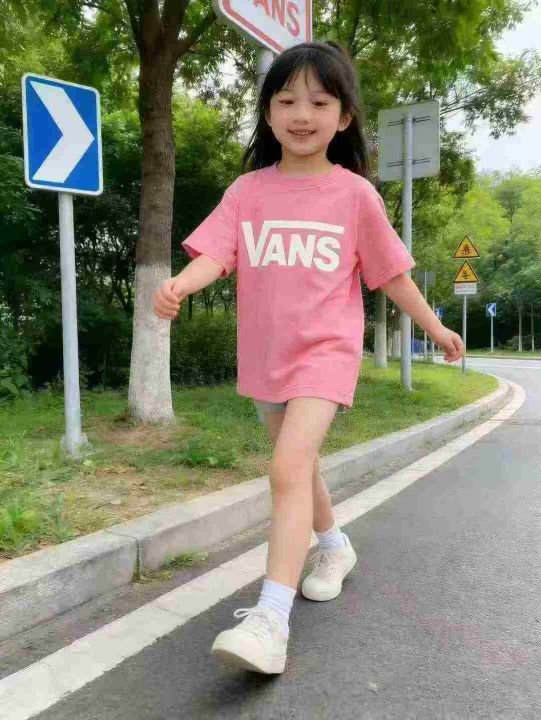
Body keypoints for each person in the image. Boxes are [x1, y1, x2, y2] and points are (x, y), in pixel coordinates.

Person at [153, 40, 464, 675]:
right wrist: (181, 284)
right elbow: (216, 252)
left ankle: (271, 619)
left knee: (287, 467)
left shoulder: (355, 195)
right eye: (287, 100)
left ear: (343, 116)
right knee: (299, 469)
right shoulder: (248, 191)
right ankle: (334, 544)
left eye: (319, 102)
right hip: (267, 356)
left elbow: (391, 273)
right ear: (268, 112)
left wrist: (435, 328)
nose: (302, 114)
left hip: (326, 353)